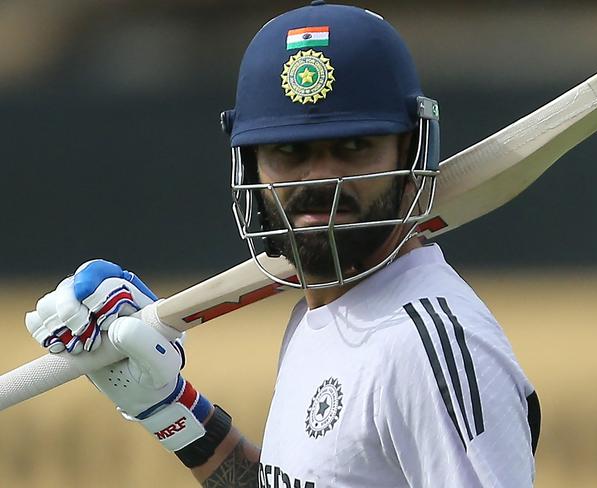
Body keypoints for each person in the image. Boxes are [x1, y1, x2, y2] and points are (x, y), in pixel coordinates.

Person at [25, 2, 540, 487]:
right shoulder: (318, 317)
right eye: (289, 151)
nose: (320, 179)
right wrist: (170, 411)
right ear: (251, 167)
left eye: (353, 146)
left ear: (411, 153)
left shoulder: (425, 350)